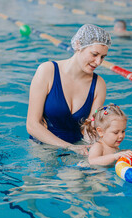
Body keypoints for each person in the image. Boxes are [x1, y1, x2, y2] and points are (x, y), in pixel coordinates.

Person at [26, 24, 111, 155]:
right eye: (94, 54)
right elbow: (32, 125)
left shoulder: (99, 85)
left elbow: (89, 131)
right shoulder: (47, 71)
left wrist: (108, 147)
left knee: (80, 175)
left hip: (77, 147)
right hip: (42, 146)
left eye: (103, 57)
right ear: (78, 45)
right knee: (43, 174)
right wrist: (68, 147)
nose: (98, 62)